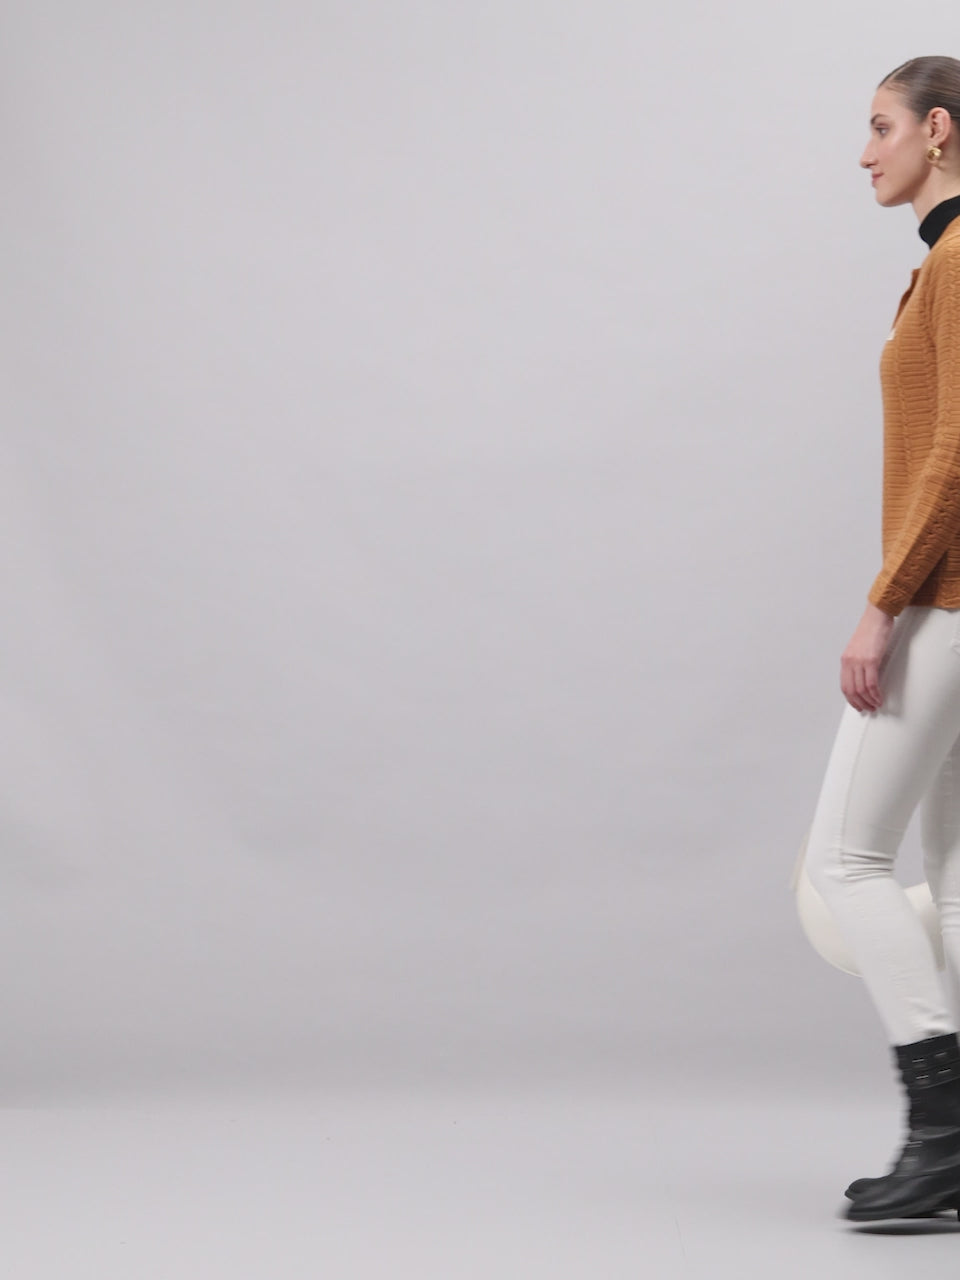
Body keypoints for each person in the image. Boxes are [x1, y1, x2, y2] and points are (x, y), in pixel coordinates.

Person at [804, 55, 960, 1223]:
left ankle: (942, 1133)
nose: (864, 153)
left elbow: (955, 456)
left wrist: (881, 602)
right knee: (951, 882)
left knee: (847, 864)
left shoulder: (958, 261)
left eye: (880, 127)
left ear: (938, 130)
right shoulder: (941, 261)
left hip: (943, 604)